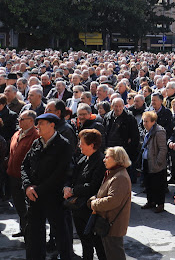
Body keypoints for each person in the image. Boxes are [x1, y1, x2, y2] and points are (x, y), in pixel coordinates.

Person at [21, 112, 73, 260]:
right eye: (38, 123)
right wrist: (27, 186)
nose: (38, 127)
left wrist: (38, 189)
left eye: (41, 124)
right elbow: (25, 165)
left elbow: (60, 173)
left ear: (52, 125)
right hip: (34, 196)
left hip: (53, 197)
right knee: (34, 235)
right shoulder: (37, 143)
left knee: (61, 235)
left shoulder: (63, 145)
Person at [64, 129, 106, 260]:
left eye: (82, 143)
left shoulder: (100, 161)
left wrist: (73, 190)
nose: (79, 145)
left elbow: (93, 186)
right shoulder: (83, 158)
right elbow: (72, 176)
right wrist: (67, 187)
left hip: (91, 209)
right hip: (78, 208)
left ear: (92, 145)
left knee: (97, 242)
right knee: (84, 240)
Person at [88, 146, 132, 260]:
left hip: (113, 224)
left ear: (117, 159)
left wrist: (94, 203)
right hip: (108, 221)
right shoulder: (113, 173)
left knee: (115, 255)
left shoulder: (120, 177)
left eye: (107, 157)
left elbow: (112, 201)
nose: (104, 159)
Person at [7, 110, 38, 238]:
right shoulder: (17, 133)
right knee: (19, 206)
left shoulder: (35, 135)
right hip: (13, 175)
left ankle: (29, 234)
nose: (19, 121)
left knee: (28, 209)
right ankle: (23, 228)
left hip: (25, 178)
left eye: (22, 119)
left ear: (31, 121)